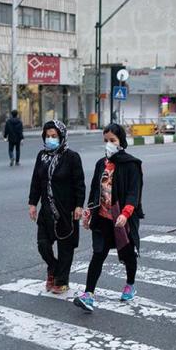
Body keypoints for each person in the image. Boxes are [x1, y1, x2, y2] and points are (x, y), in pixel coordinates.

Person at [74, 123, 144, 313]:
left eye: (112, 140)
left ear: (121, 142)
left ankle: (130, 284)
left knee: (128, 254)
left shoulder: (131, 164)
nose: (109, 144)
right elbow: (95, 191)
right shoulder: (101, 164)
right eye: (106, 141)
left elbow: (133, 193)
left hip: (123, 219)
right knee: (98, 254)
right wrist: (89, 212)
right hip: (103, 219)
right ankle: (88, 294)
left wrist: (125, 213)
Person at [29, 120, 85, 294]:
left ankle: (61, 280)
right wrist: (32, 203)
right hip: (46, 210)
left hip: (66, 210)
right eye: (47, 136)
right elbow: (36, 181)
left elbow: (79, 184)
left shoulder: (72, 157)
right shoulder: (42, 156)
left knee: (65, 247)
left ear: (61, 137)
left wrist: (78, 206)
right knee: (42, 245)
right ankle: (53, 268)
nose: (50, 139)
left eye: (54, 136)